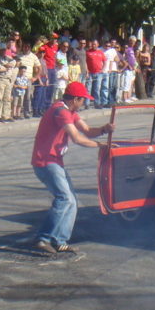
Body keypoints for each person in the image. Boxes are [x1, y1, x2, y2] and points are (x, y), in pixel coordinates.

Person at [31, 80, 114, 255]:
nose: (84, 103)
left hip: (54, 161)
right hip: (46, 162)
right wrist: (100, 145)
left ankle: (60, 240)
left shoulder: (70, 112)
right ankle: (43, 238)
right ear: (75, 99)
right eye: (83, 99)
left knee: (72, 201)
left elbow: (88, 130)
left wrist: (104, 129)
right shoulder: (60, 111)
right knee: (64, 199)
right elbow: (77, 138)